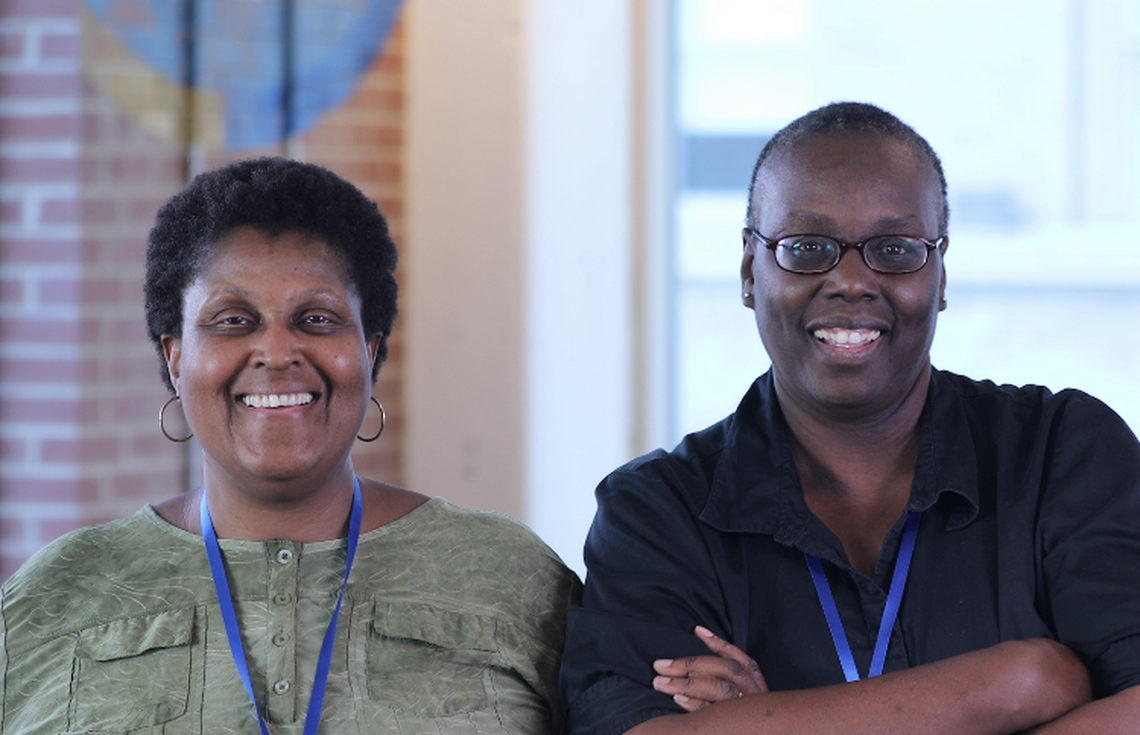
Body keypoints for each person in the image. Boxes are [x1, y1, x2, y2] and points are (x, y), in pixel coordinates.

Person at [559, 102, 1140, 734]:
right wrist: (1022, 681)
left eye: (895, 248)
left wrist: (770, 722)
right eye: (806, 247)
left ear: (940, 273)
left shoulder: (1062, 450)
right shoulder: (657, 511)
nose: (852, 282)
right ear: (751, 269)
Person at [0, 157, 580, 734]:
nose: (277, 353)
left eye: (318, 319)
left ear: (371, 351)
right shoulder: (58, 594)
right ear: (175, 357)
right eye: (232, 320)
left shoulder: (512, 579)